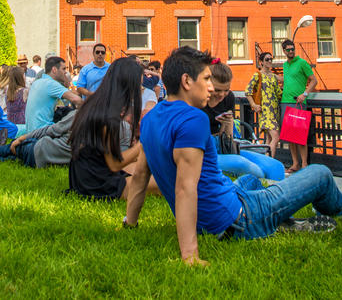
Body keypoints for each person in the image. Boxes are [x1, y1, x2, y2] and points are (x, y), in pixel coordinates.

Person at [125, 46, 342, 266]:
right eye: (207, 79)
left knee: (251, 179)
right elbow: (184, 189)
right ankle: (322, 211)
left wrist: (129, 223)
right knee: (321, 174)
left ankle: (281, 218)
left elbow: (140, 176)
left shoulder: (152, 118)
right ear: (187, 81)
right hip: (240, 219)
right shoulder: (193, 119)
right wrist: (190, 255)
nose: (211, 88)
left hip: (221, 206)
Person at [67, 57, 157, 200]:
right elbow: (115, 164)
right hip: (98, 183)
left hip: (87, 175)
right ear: (127, 85)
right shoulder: (107, 117)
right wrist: (144, 144)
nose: (139, 90)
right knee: (163, 181)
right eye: (137, 86)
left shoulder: (97, 104)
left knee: (153, 170)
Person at [204, 61, 284, 181]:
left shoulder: (229, 98)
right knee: (249, 168)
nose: (221, 94)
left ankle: (275, 197)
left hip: (222, 145)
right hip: (204, 151)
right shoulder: (198, 101)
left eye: (226, 90)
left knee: (276, 167)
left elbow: (227, 138)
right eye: (217, 90)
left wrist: (226, 125)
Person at [281, 39, 317, 172]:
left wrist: (305, 94)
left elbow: (314, 80)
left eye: (292, 49)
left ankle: (304, 164)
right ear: (284, 51)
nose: (291, 51)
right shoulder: (285, 65)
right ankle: (295, 164)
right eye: (288, 50)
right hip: (285, 101)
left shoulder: (302, 63)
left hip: (298, 102)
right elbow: (287, 80)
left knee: (300, 135)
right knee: (290, 136)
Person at [24, 56, 82, 132]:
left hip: (31, 130)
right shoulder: (51, 84)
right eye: (63, 69)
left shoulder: (38, 82)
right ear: (54, 69)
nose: (66, 72)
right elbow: (77, 100)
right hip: (42, 131)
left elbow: (70, 92)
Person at [246, 52, 282, 157]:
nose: (270, 61)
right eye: (267, 59)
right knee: (276, 136)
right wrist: (253, 105)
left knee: (269, 138)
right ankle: (270, 162)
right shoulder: (258, 75)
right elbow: (248, 91)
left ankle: (264, 161)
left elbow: (278, 93)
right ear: (261, 62)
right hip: (265, 110)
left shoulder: (273, 77)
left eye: (271, 59)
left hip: (275, 110)